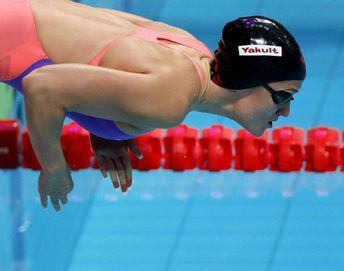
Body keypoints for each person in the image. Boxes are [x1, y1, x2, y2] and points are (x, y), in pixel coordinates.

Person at [0, 0, 306, 212]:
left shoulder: (191, 50)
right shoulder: (169, 99)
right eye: (282, 96)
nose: (286, 111)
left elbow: (97, 45)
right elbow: (42, 87)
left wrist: (105, 122)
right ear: (249, 80)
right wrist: (53, 168)